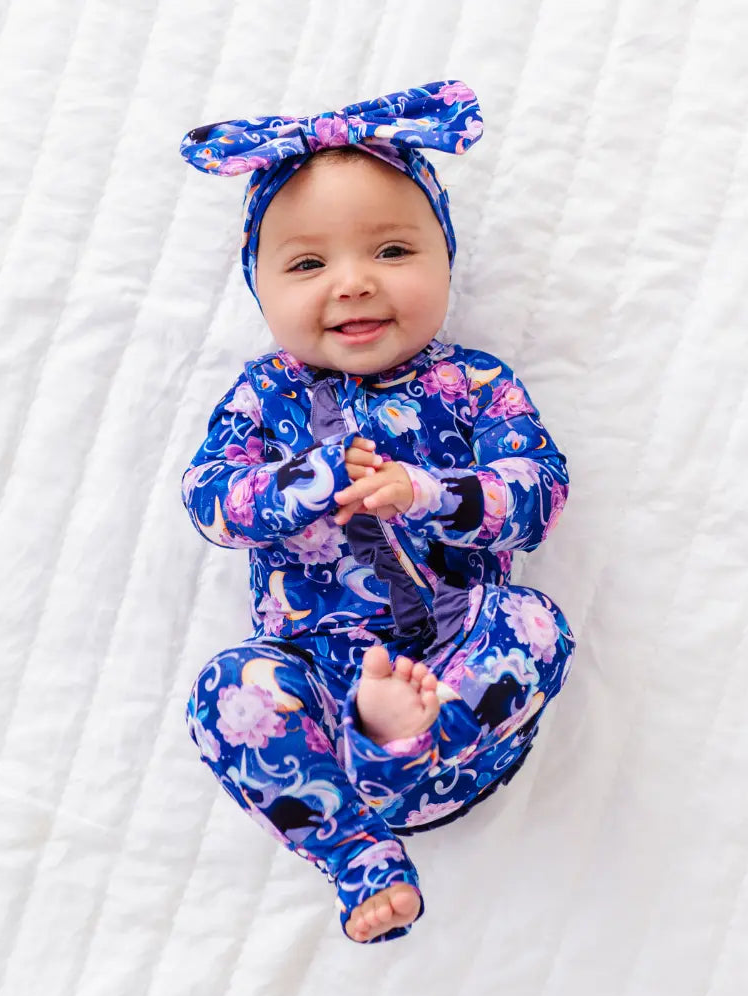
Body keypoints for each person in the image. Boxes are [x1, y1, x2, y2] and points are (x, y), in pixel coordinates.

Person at [179, 81, 575, 944]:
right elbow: (209, 501)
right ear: (259, 286)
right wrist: (307, 480)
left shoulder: (473, 384)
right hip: (320, 675)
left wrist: (428, 492)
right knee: (226, 692)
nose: (353, 284)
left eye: (391, 250)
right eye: (307, 264)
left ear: (444, 259)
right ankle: (359, 852)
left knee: (535, 623)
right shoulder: (264, 393)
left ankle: (404, 748)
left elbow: (539, 491)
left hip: (458, 661)